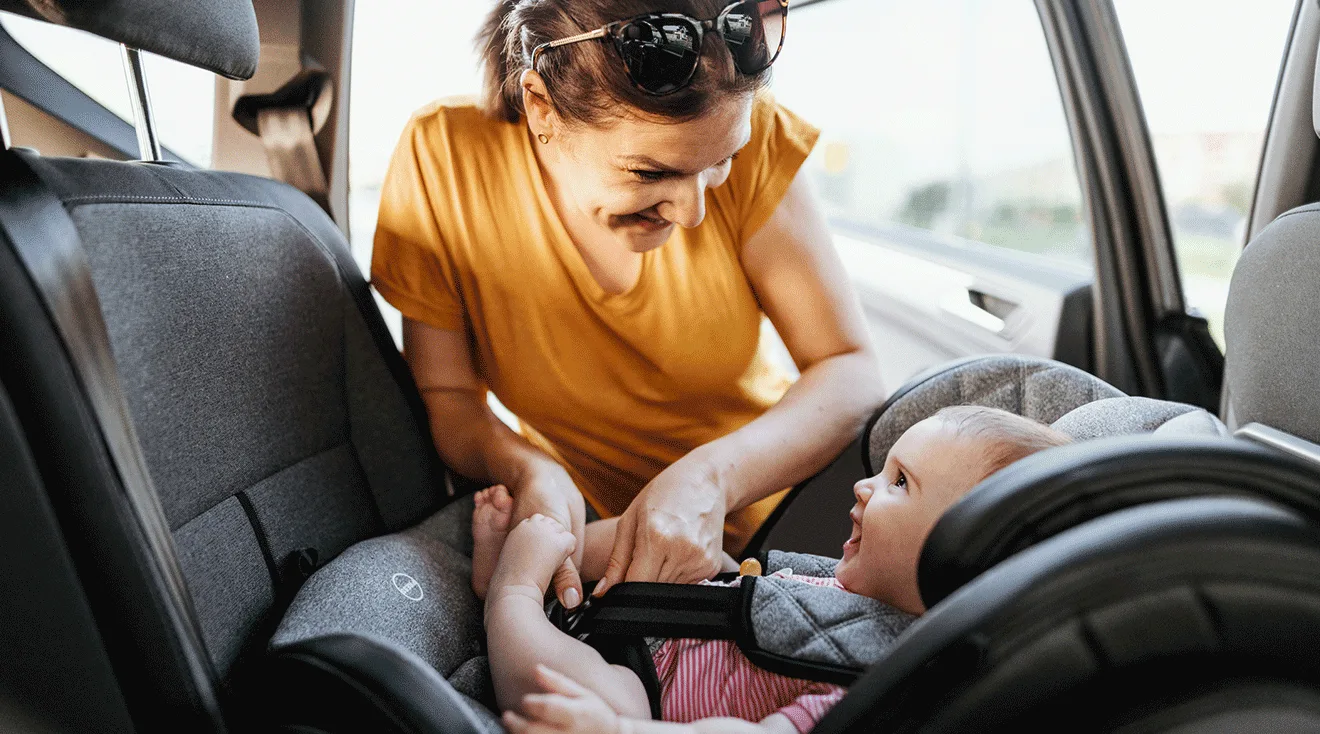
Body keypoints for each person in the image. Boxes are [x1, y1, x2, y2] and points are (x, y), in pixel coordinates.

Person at [370, 0, 885, 611]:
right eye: (649, 173)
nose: (693, 212)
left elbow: (849, 368)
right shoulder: (445, 158)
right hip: (606, 544)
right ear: (541, 108)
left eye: (722, 162)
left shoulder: (763, 136)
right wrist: (531, 472)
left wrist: (712, 479)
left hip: (800, 521)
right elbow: (451, 401)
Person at [474, 406, 1073, 733]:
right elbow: (755, 597)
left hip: (650, 696)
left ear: (960, 554)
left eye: (899, 483)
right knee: (690, 556)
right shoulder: (854, 585)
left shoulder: (879, 684)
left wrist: (623, 732)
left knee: (599, 695)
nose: (864, 486)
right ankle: (536, 557)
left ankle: (511, 593)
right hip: (680, 620)